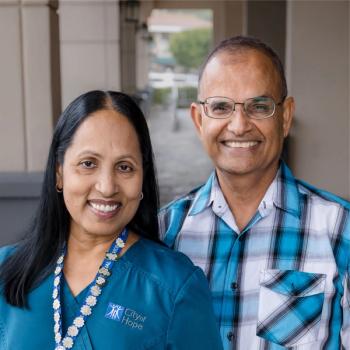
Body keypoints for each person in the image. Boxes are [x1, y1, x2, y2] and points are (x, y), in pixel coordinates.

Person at [159, 36, 350, 349]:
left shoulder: (341, 232)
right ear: (198, 119)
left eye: (258, 106)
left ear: (285, 116)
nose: (239, 125)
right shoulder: (163, 234)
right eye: (220, 107)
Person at [0, 90, 223, 350]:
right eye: (88, 163)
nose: (107, 187)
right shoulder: (7, 270)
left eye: (125, 167)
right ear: (59, 173)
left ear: (143, 176)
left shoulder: (174, 286)